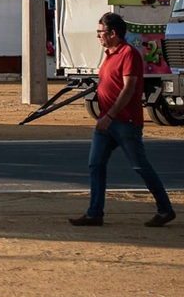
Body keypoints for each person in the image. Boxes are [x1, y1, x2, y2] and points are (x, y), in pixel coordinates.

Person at [69, 12, 177, 228]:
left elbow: (129, 89)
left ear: (113, 33)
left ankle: (165, 209)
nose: (98, 36)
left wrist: (110, 115)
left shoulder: (128, 54)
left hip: (124, 122)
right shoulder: (110, 54)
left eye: (100, 32)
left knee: (139, 166)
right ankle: (94, 213)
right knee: (95, 164)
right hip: (105, 122)